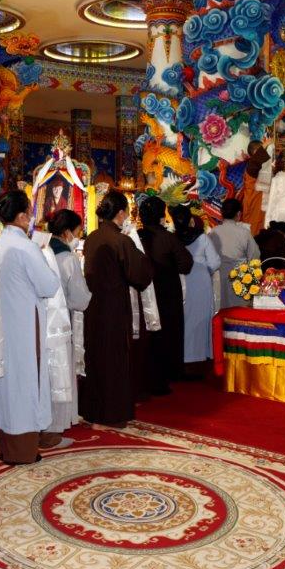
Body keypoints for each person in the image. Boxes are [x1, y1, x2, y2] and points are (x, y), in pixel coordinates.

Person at [0, 190, 61, 464]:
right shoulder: (25, 247)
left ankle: (7, 446)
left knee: (4, 382)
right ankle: (23, 450)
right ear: (21, 216)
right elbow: (49, 285)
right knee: (25, 382)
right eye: (29, 212)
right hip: (24, 326)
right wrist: (45, 256)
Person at [80, 190, 154, 427]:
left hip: (93, 306)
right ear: (121, 213)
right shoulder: (121, 240)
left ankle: (92, 409)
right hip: (113, 307)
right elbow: (140, 275)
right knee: (114, 358)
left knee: (95, 355)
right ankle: (112, 413)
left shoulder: (92, 237)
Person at [41, 209, 92, 449]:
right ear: (67, 232)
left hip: (38, 322)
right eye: (78, 231)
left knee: (43, 375)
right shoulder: (68, 258)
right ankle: (53, 431)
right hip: (60, 322)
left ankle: (40, 425)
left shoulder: (39, 250)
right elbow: (80, 299)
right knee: (59, 373)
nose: (78, 236)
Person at [137, 196, 193, 393]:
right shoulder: (168, 238)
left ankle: (147, 375)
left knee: (148, 335)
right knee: (168, 333)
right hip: (166, 291)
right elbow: (186, 264)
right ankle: (167, 375)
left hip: (142, 291)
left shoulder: (136, 236)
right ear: (162, 215)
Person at [170, 205, 220, 369]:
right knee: (200, 317)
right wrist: (205, 271)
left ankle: (182, 355)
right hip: (200, 281)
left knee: (183, 318)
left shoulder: (172, 238)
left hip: (179, 281)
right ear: (190, 220)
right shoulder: (202, 238)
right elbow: (215, 262)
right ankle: (199, 356)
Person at [210, 198, 260, 309]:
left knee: (219, 314)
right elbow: (255, 258)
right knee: (238, 315)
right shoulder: (244, 233)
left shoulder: (213, 232)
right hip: (239, 283)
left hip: (218, 282)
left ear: (221, 213)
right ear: (238, 214)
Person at [241, 140, 272, 234]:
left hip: (261, 206)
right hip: (254, 207)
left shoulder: (262, 167)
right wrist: (267, 144)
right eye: (264, 150)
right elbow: (256, 162)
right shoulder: (251, 169)